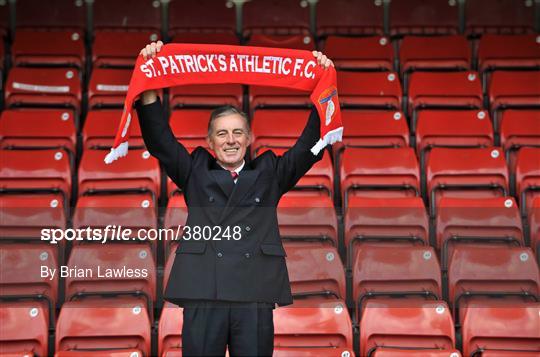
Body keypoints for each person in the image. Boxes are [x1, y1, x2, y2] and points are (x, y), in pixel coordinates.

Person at [137, 41, 334, 356]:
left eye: (238, 132)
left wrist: (324, 85)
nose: (231, 140)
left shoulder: (271, 173)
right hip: (204, 291)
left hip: (253, 292)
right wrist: (148, 86)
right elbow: (160, 141)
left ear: (250, 138)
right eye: (223, 134)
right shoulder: (194, 171)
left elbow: (311, 145)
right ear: (210, 142)